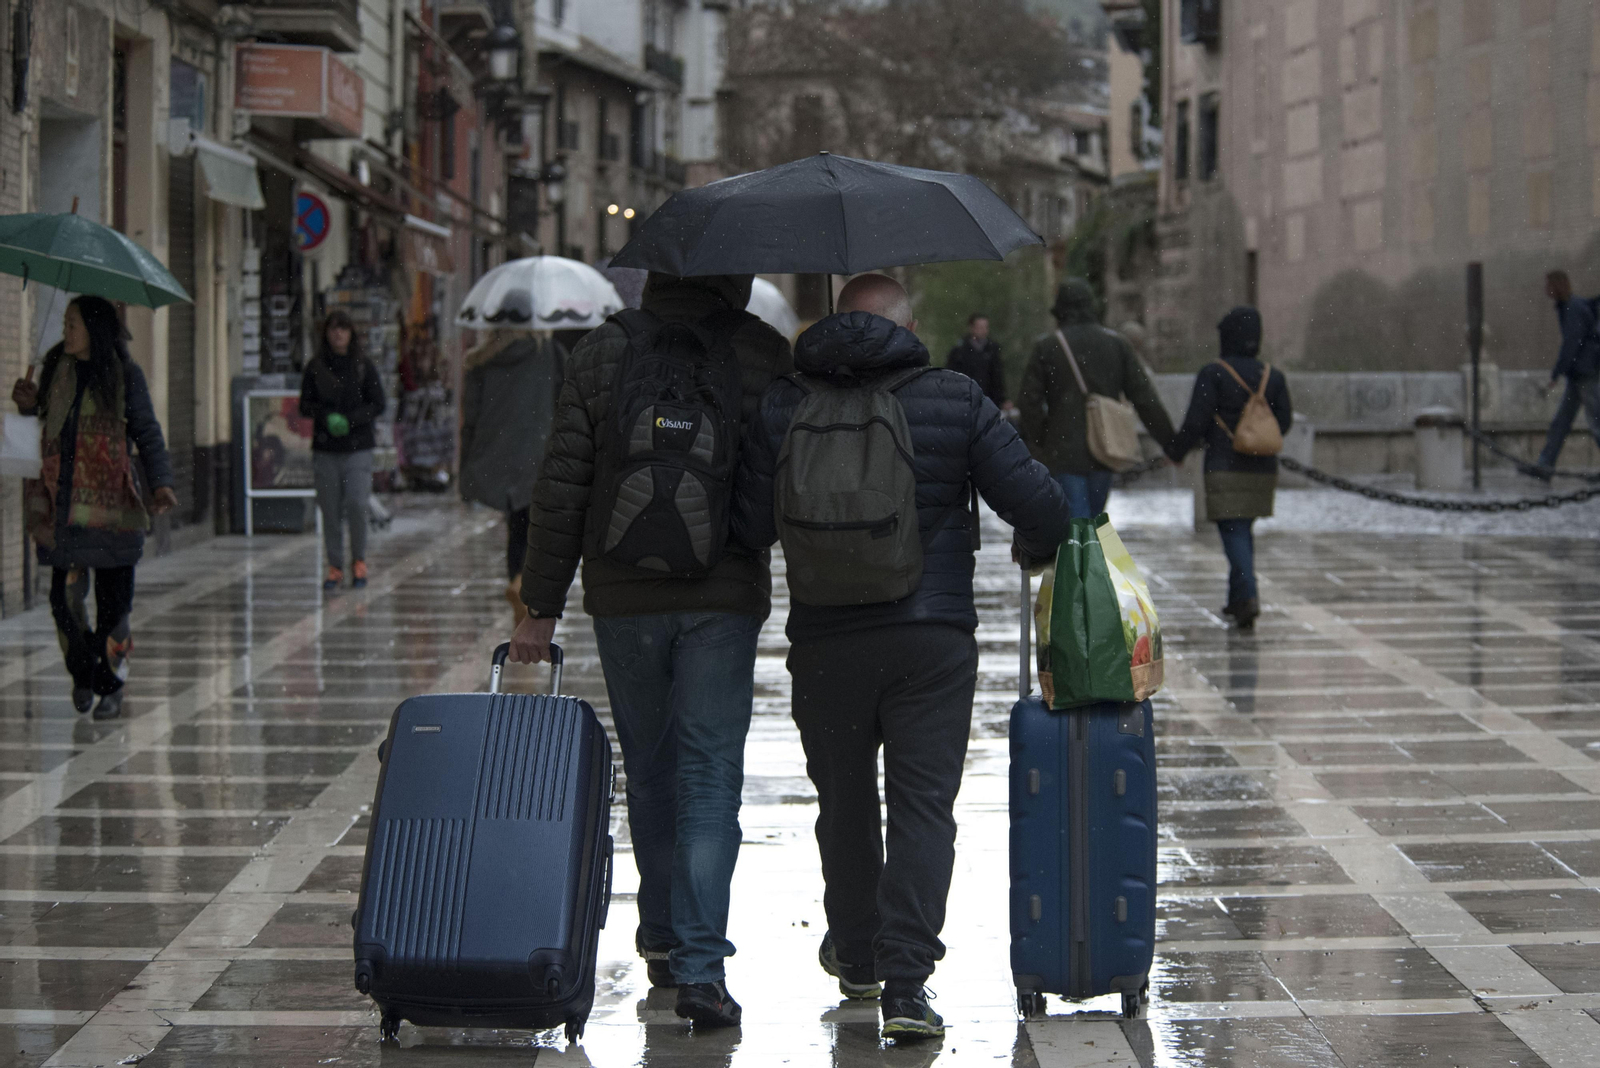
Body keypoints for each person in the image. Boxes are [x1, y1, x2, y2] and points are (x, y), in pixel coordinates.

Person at [732, 274, 1070, 1041]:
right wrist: (1031, 542)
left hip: (825, 643)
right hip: (931, 639)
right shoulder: (952, 395)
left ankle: (857, 954)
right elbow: (1044, 507)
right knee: (922, 808)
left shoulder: (786, 402)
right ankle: (909, 987)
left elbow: (749, 525)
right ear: (906, 328)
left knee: (845, 805)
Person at [506, 273, 792, 1029]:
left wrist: (540, 606)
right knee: (709, 777)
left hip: (623, 593)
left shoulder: (603, 350)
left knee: (652, 769)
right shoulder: (763, 352)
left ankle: (662, 939)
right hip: (721, 595)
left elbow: (562, 482)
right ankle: (701, 967)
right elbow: (777, 482)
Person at [11, 296, 177, 721]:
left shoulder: (125, 375)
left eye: (73, 324)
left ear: (95, 329)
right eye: (65, 323)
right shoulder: (56, 369)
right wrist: (28, 404)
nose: (66, 331)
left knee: (113, 609)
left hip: (113, 510)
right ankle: (83, 672)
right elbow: (44, 423)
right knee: (64, 602)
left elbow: (147, 431)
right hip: (64, 509)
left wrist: (161, 483)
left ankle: (111, 686)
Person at [1165, 306, 1292, 630]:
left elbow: (1196, 421)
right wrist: (1253, 437)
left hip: (1224, 465)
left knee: (1233, 531)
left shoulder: (1214, 374)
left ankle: (1247, 595)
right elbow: (1284, 422)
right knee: (1243, 529)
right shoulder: (1273, 377)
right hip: (1261, 467)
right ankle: (1236, 599)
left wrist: (1177, 451)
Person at [1018, 279, 1174, 517]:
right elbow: (1144, 399)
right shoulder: (1117, 345)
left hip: (1064, 449)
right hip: (1106, 447)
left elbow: (1029, 402)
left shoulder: (1048, 347)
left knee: (1076, 518)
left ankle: (1081, 542)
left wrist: (1043, 439)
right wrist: (1170, 442)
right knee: (1094, 517)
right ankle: (1091, 541)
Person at [458, 329, 563, 627]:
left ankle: (517, 581)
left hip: (500, 457)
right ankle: (521, 584)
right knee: (535, 527)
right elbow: (567, 400)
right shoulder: (549, 353)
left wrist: (466, 468)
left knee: (516, 525)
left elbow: (470, 419)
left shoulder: (482, 360)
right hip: (539, 452)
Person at [299, 310, 386, 591]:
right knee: (330, 509)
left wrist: (352, 420)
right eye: (333, 329)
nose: (338, 334)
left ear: (351, 333)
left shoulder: (362, 366)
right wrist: (326, 418)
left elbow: (378, 403)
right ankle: (334, 566)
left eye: (343, 328)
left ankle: (359, 559)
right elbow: (305, 405)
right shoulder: (315, 368)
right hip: (326, 449)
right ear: (326, 333)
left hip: (358, 447)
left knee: (357, 503)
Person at [1535, 270, 1600, 478]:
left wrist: (1556, 373)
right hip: (1579, 374)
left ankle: (1545, 465)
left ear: (1557, 285)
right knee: (1561, 423)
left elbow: (1571, 344)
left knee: (1596, 423)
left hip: (1586, 373)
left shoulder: (1573, 308)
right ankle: (1545, 466)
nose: (1546, 289)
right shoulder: (1570, 306)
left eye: (1548, 285)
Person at [944, 313, 1009, 410]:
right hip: (965, 401)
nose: (984, 330)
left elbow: (997, 377)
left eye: (986, 327)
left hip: (989, 400)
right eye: (980, 327)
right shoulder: (959, 351)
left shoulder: (992, 349)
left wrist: (1002, 399)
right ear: (971, 328)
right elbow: (952, 377)